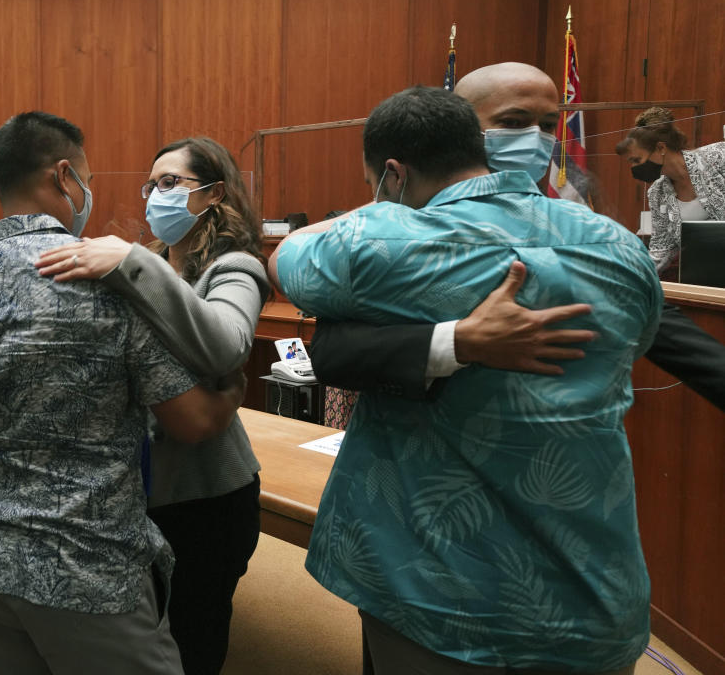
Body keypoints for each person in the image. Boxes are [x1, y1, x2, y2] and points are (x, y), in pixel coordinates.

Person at [272, 86, 662, 675]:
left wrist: (377, 211)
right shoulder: (623, 249)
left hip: (435, 579)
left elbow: (288, 259)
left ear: (392, 175)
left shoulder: (382, 246)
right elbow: (632, 344)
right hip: (588, 575)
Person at [0, 112, 247, 675]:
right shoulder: (102, 286)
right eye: (88, 179)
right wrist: (232, 393)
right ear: (66, 177)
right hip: (89, 570)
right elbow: (192, 421)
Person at [308, 62, 725, 414]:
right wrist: (457, 343)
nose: (536, 140)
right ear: (456, 132)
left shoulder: (587, 237)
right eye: (512, 123)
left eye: (547, 125)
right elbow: (333, 350)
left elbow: (666, 329)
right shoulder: (391, 224)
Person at [33, 136, 267, 675]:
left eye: (169, 184)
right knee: (146, 648)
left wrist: (132, 260)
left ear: (212, 194)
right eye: (150, 185)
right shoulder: (156, 267)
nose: (153, 196)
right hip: (141, 495)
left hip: (208, 498)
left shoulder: (234, 266)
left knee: (192, 648)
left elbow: (227, 346)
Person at [615, 106, 725, 275]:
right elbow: (661, 251)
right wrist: (634, 274)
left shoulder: (718, 156)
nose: (634, 167)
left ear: (661, 148)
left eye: (637, 159)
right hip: (707, 274)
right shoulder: (657, 193)